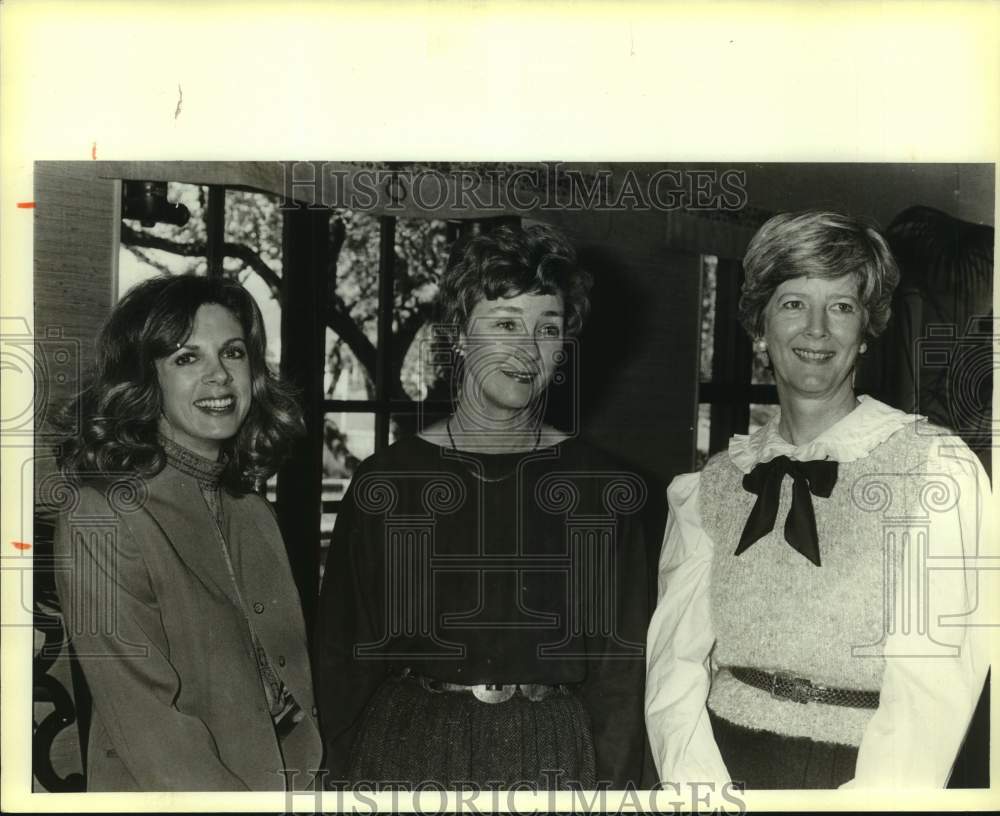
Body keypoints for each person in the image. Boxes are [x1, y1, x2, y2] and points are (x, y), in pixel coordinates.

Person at [645, 211, 992, 790]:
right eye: (792, 304)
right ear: (759, 323)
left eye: (841, 306)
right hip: (722, 763)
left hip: (861, 772)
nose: (816, 330)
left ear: (866, 330)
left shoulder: (935, 469)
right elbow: (673, 668)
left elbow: (934, 682)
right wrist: (697, 789)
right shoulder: (714, 485)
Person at [314, 224, 651, 791]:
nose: (528, 349)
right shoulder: (386, 484)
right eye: (505, 324)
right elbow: (342, 664)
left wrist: (616, 795)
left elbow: (623, 678)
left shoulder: (604, 488)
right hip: (408, 750)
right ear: (459, 335)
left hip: (555, 756)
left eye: (548, 328)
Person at [53, 275, 322, 791]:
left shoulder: (251, 510)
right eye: (186, 358)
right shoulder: (102, 517)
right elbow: (151, 728)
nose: (219, 376)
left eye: (234, 353)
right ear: (143, 379)